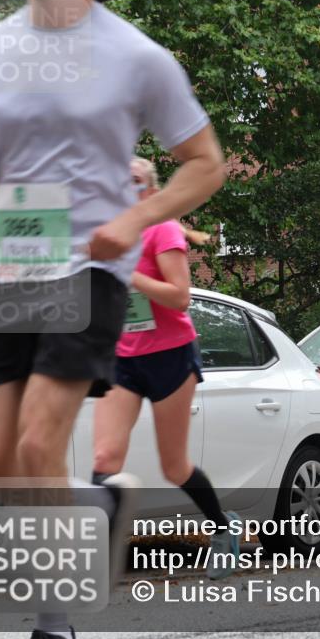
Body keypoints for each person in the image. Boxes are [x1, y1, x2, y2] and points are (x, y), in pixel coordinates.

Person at [0, 0, 225, 639]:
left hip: (91, 268)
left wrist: (134, 219)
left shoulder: (134, 56)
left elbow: (204, 162)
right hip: (11, 266)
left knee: (40, 442)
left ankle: (53, 626)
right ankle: (96, 504)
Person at [92, 157, 240, 580]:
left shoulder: (164, 229)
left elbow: (179, 297)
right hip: (122, 357)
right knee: (105, 456)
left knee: (173, 466)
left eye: (134, 182)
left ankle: (222, 527)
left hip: (170, 354)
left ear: (151, 194)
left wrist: (129, 276)